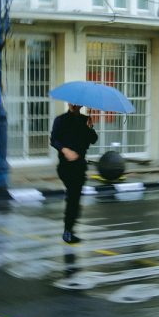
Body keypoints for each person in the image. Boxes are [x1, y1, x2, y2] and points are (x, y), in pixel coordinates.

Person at [50, 103, 98, 244]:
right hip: (65, 165)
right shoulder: (61, 120)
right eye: (72, 103)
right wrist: (65, 150)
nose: (74, 105)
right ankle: (68, 231)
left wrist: (90, 127)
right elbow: (54, 140)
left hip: (79, 165)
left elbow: (93, 140)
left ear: (80, 105)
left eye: (77, 104)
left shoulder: (84, 120)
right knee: (73, 196)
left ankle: (69, 230)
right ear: (69, 104)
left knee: (74, 198)